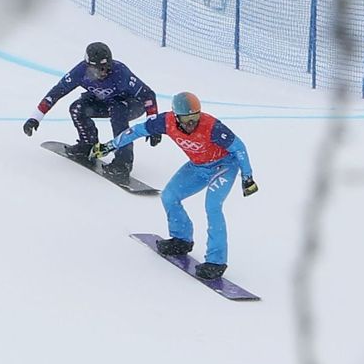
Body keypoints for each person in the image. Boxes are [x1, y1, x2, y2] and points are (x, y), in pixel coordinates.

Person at [94, 91, 258, 280]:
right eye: (186, 119)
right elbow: (137, 130)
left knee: (212, 206)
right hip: (197, 167)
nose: (191, 123)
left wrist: (248, 177)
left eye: (195, 117)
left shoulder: (211, 126)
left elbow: (238, 147)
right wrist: (110, 145)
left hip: (223, 166)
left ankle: (216, 261)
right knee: (169, 196)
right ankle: (181, 239)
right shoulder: (166, 121)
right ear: (176, 116)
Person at [22, 41, 159, 180]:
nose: (102, 72)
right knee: (77, 108)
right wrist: (35, 117)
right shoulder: (79, 72)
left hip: (131, 104)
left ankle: (123, 162)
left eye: (105, 67)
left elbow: (148, 95)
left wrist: (153, 124)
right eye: (96, 69)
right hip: (105, 101)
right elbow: (56, 92)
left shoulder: (121, 72)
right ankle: (87, 144)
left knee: (118, 110)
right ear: (88, 66)